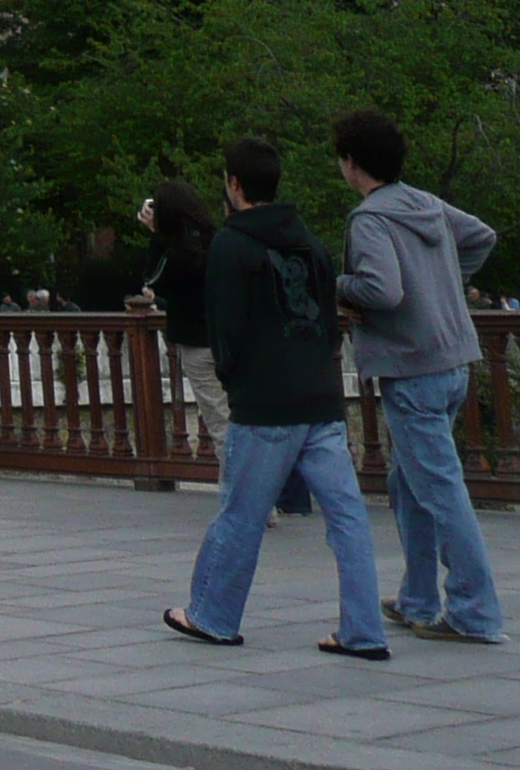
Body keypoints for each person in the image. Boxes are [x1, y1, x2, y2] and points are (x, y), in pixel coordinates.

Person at [168, 139, 388, 658]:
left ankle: (213, 615)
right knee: (347, 516)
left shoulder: (231, 244)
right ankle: (363, 630)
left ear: (235, 185)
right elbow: (329, 321)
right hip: (320, 396)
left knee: (241, 513)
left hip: (265, 402)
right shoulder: (309, 242)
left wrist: (235, 383)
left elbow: (224, 329)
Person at [333, 106, 505, 645]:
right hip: (453, 360)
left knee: (439, 488)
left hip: (411, 368)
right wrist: (444, 287)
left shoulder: (371, 218)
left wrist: (338, 288)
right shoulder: (425, 203)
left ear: (351, 163)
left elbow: (382, 291)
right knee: (408, 483)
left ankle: (475, 613)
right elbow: (482, 237)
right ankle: (418, 598)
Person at [141, 181, 227, 452]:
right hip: (232, 339)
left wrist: (157, 234)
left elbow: (153, 279)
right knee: (243, 419)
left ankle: (240, 490)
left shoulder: (178, 253)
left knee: (221, 424)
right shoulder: (217, 239)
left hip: (199, 343)